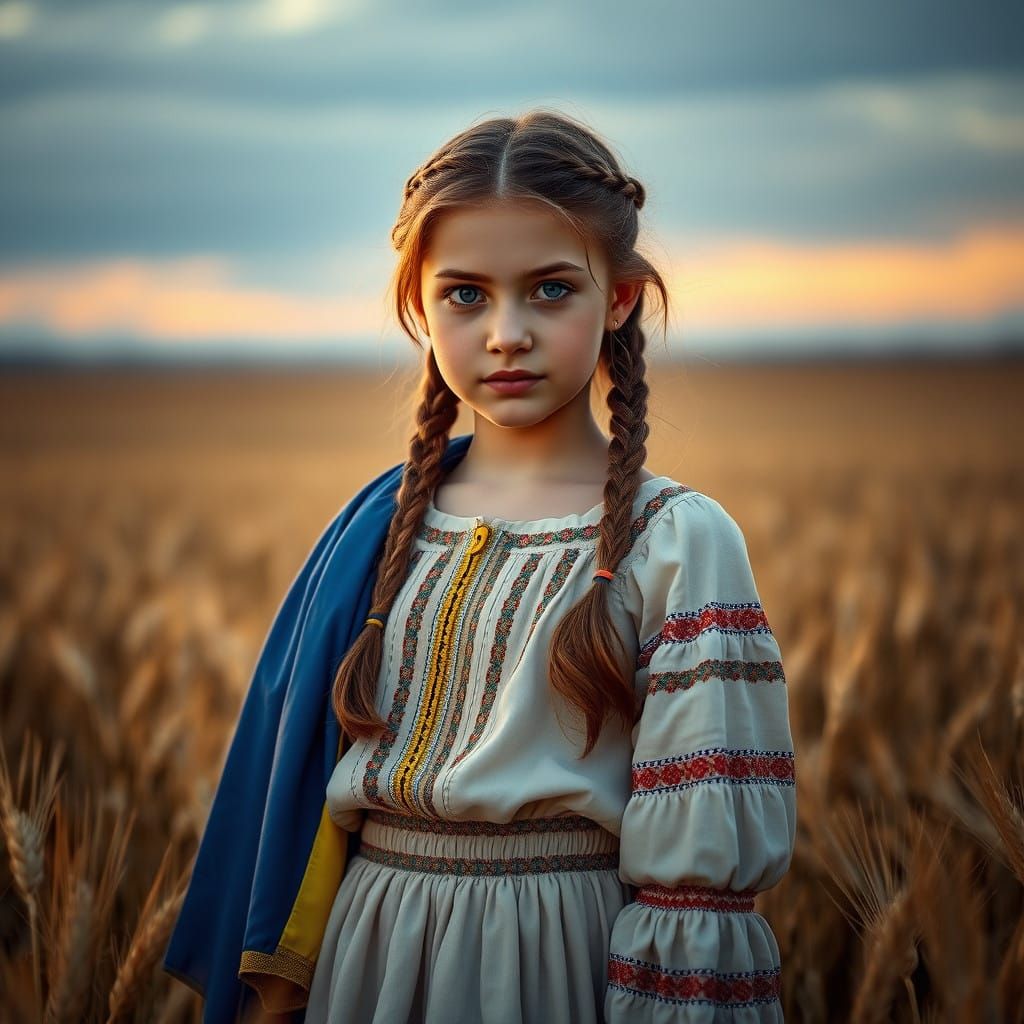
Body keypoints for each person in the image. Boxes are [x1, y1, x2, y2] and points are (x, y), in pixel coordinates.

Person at [164, 107, 796, 1024]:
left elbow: (699, 872)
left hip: (554, 956)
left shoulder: (678, 540)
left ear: (618, 297)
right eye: (465, 294)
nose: (506, 332)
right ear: (418, 306)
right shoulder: (378, 530)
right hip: (367, 955)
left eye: (549, 290)